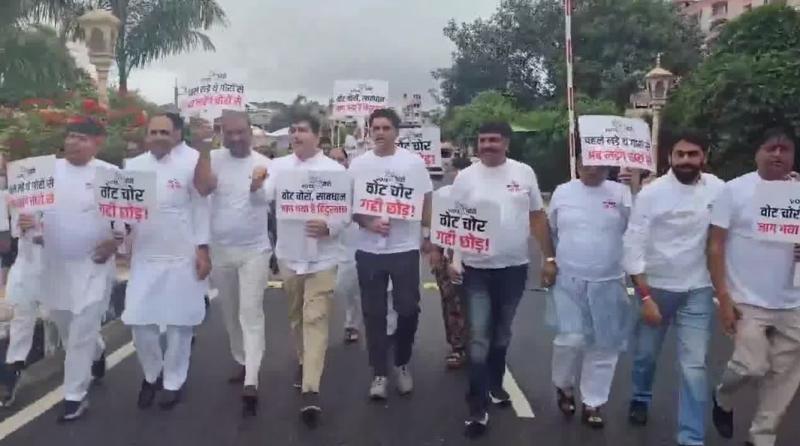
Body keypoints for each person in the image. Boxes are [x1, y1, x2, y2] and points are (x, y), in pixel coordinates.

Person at [448, 121, 556, 437]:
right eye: (483, 140)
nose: (487, 145)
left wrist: (549, 258)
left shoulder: (524, 173)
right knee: (478, 338)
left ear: (506, 143)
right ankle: (477, 408)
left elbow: (537, 217)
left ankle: (495, 383)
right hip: (475, 269)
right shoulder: (465, 178)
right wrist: (455, 260)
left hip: (514, 268)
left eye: (494, 140)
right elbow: (454, 221)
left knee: (501, 334)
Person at [622, 131, 724, 446]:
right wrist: (645, 297)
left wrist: (787, 184)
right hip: (656, 288)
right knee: (645, 356)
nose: (686, 160)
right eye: (680, 154)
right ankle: (640, 397)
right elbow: (633, 245)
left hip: (698, 289)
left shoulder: (719, 189)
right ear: (670, 157)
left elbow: (750, 203)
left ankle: (691, 437)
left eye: (693, 154)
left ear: (704, 156)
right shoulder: (652, 194)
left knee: (694, 366)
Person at [708, 126, 800, 446]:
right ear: (757, 153)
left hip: (793, 301)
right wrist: (722, 296)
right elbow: (715, 245)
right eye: (771, 148)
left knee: (784, 376)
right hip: (745, 298)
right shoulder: (734, 191)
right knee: (751, 365)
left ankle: (761, 438)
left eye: (785, 149)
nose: (777, 154)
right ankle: (723, 397)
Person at [123, 114, 211, 411]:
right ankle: (152, 375)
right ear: (146, 136)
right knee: (139, 321)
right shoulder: (132, 167)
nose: (159, 137)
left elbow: (201, 208)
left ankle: (174, 381)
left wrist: (203, 250)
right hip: (145, 256)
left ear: (176, 136)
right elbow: (122, 212)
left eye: (165, 132)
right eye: (154, 132)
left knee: (179, 324)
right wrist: (120, 240)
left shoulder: (191, 162)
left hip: (181, 255)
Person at [262, 114, 345, 425]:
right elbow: (263, 197)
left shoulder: (335, 171)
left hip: (323, 258)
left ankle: (311, 389)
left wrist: (330, 226)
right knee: (297, 316)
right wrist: (256, 184)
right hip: (290, 255)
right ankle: (303, 359)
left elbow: (345, 213)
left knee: (316, 318)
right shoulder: (278, 167)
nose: (296, 135)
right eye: (293, 130)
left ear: (318, 135)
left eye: (302, 130)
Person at [35, 117, 118, 421]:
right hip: (55, 266)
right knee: (67, 326)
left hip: (93, 265)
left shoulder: (111, 175)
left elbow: (129, 219)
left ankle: (74, 395)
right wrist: (30, 227)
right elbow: (27, 213)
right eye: (70, 136)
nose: (73, 142)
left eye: (81, 138)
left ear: (98, 143)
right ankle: (97, 351)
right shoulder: (46, 172)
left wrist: (115, 242)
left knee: (82, 328)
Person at [349, 108, 433, 401]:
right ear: (369, 131)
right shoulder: (358, 165)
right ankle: (379, 372)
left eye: (386, 128)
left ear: (396, 132)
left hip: (404, 248)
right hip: (368, 250)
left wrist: (427, 235)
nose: (380, 133)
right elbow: (348, 204)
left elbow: (426, 200)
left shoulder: (413, 163)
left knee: (407, 308)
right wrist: (368, 222)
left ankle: (402, 361)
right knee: (373, 313)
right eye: (376, 128)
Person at [193, 111, 271, 416]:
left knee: (251, 312)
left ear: (251, 132)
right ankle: (242, 359)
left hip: (255, 251)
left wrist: (257, 187)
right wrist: (201, 146)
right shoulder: (211, 159)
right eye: (230, 133)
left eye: (241, 132)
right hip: (221, 251)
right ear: (221, 133)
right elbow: (202, 189)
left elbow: (268, 198)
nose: (236, 138)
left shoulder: (265, 164)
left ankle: (252, 378)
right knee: (230, 312)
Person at [547, 158, 632, 428]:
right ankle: (564, 385)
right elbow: (550, 230)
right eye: (587, 163)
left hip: (609, 280)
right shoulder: (563, 192)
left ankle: (593, 402)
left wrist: (636, 187)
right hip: (568, 279)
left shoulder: (622, 193)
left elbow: (639, 229)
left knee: (604, 344)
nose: (593, 169)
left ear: (609, 166)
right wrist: (549, 261)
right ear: (578, 165)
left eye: (599, 164)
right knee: (569, 339)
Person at [329, 147, 398, 344]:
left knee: (386, 288)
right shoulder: (325, 186)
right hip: (342, 247)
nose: (337, 163)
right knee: (347, 287)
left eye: (340, 159)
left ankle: (389, 328)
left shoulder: (360, 180)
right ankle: (352, 322)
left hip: (369, 241)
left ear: (347, 161)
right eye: (333, 159)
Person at [430, 156, 471, 369]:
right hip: (448, 257)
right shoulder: (442, 195)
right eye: (457, 171)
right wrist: (435, 252)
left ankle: (478, 345)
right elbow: (436, 225)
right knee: (451, 303)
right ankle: (458, 347)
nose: (460, 176)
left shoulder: (483, 197)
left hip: (477, 259)